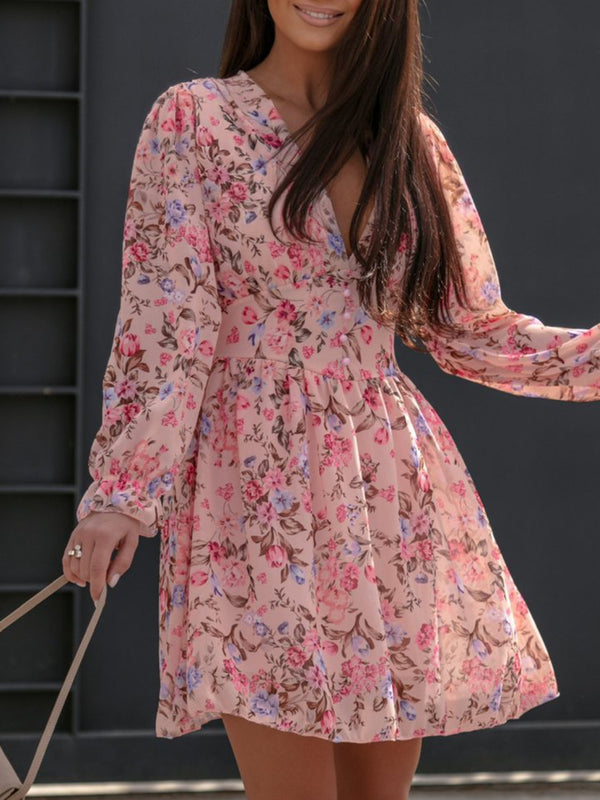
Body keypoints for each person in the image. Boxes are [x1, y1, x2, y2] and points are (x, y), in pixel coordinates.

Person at [63, 1, 600, 798]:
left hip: (387, 489)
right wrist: (123, 494)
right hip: (255, 495)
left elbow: (468, 329)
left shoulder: (411, 143)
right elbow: (168, 323)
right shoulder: (194, 120)